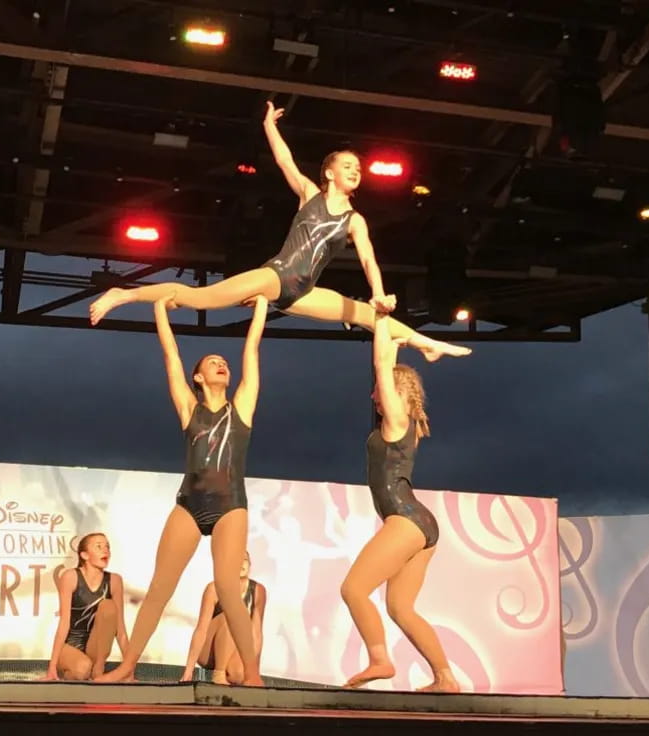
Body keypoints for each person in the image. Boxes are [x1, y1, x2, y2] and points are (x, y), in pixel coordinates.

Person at [89, 102, 471, 364]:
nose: (357, 171)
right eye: (348, 165)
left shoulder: (355, 220)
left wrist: (377, 296)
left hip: (302, 291)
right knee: (197, 298)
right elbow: (284, 160)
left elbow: (369, 259)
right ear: (329, 173)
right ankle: (123, 293)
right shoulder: (309, 194)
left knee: (367, 317)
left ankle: (426, 344)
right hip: (276, 275)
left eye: (359, 168)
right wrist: (269, 126)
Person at [96, 295, 268, 685]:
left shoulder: (240, 407)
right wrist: (159, 310)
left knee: (227, 584)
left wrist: (260, 307)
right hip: (189, 504)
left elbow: (252, 348)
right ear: (198, 378)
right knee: (160, 586)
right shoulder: (190, 410)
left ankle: (253, 674)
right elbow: (170, 356)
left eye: (224, 362)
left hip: (229, 506)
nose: (222, 364)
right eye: (212, 363)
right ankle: (126, 667)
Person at [339, 315, 460, 693]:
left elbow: (381, 365)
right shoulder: (406, 423)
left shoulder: (395, 420)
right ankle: (446, 678)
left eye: (379, 389)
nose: (374, 394)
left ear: (393, 390)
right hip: (422, 524)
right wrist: (389, 334)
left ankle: (379, 660)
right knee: (400, 608)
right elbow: (386, 363)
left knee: (354, 590)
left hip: (405, 518)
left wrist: (379, 324)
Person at [45, 532, 128, 680]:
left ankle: (98, 667)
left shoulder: (115, 580)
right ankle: (75, 672)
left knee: (109, 606)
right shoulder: (70, 577)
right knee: (82, 668)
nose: (106, 550)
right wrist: (52, 667)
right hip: (70, 646)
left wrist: (129, 669)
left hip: (95, 649)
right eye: (98, 546)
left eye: (107, 546)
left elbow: (120, 629)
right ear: (84, 555)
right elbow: (64, 623)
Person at [180, 551, 266, 685]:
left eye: (245, 560)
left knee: (238, 675)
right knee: (232, 614)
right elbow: (201, 629)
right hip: (208, 652)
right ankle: (219, 674)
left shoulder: (258, 591)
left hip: (234, 647)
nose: (241, 564)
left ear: (249, 564)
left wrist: (254, 673)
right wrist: (188, 670)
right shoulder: (214, 588)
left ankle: (230, 672)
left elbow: (257, 634)